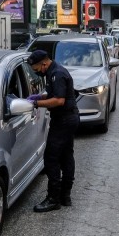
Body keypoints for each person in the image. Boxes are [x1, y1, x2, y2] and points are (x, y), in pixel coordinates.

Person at [26, 50, 80, 212]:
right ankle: (65, 196)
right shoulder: (54, 71)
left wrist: (35, 104)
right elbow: (54, 95)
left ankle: (53, 198)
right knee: (66, 156)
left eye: (36, 69)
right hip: (68, 119)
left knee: (51, 158)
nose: (36, 72)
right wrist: (39, 97)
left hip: (64, 121)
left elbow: (59, 100)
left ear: (44, 63)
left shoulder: (56, 73)